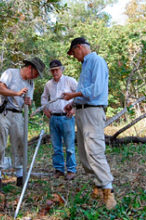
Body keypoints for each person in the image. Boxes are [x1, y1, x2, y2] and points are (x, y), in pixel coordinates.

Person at [63, 37, 117, 209]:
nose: (74, 57)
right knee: (85, 154)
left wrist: (73, 95)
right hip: (82, 111)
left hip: (93, 112)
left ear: (79, 47)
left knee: (95, 150)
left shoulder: (97, 61)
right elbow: (84, 92)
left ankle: (108, 191)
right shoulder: (85, 65)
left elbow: (96, 90)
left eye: (73, 53)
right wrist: (74, 103)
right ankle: (99, 184)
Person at [0, 57, 45, 191]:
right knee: (0, 141)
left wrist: (28, 102)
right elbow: (0, 89)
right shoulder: (10, 73)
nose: (35, 77)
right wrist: (16, 93)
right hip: (2, 111)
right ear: (30, 68)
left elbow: (27, 99)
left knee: (20, 141)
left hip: (17, 113)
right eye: (35, 73)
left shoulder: (31, 84)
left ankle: (20, 176)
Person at [41, 59, 78, 180]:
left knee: (69, 146)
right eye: (52, 70)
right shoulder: (48, 84)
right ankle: (59, 169)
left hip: (66, 117)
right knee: (56, 146)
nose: (55, 72)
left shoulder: (69, 81)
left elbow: (79, 94)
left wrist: (74, 109)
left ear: (61, 69)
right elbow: (44, 97)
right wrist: (45, 109)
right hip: (53, 117)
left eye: (57, 70)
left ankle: (71, 170)